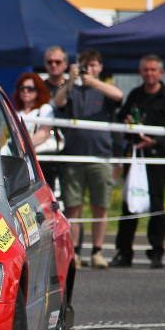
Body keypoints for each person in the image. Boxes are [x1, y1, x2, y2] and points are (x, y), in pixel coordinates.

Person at [108, 55, 165, 269]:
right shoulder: (135, 95)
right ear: (140, 72)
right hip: (134, 155)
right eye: (145, 70)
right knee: (129, 202)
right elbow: (121, 119)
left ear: (160, 73)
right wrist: (129, 122)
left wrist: (154, 141)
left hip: (156, 157)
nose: (149, 74)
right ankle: (124, 252)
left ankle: (157, 251)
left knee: (157, 203)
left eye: (153, 70)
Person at [52, 49, 124, 269]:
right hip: (74, 156)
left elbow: (118, 96)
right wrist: (70, 81)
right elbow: (58, 102)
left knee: (100, 206)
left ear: (100, 67)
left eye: (93, 65)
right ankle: (75, 252)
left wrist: (93, 81)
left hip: (100, 156)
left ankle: (97, 251)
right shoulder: (72, 90)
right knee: (73, 207)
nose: (89, 70)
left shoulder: (104, 89)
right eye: (85, 66)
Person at [13, 72, 60, 193]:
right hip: (22, 161)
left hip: (41, 161)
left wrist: (21, 147)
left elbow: (44, 133)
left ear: (39, 90)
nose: (25, 91)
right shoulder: (16, 112)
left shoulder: (45, 109)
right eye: (22, 88)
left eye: (30, 88)